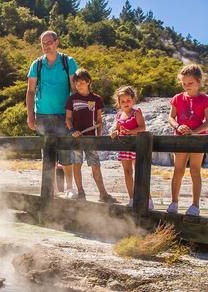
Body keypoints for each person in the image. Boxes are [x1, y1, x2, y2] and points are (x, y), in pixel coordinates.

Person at [26, 30, 78, 196]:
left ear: (57, 42)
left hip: (64, 115)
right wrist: (30, 116)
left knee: (66, 151)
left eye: (49, 42)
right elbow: (30, 92)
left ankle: (69, 188)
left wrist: (73, 115)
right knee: (47, 154)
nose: (46, 46)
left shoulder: (67, 61)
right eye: (43, 43)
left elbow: (74, 89)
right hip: (42, 115)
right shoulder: (37, 64)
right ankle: (53, 190)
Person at [65, 69, 117, 203]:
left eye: (82, 82)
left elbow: (99, 121)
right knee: (77, 164)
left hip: (91, 139)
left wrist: (98, 137)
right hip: (76, 138)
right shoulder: (72, 99)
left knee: (95, 165)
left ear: (88, 82)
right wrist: (72, 131)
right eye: (77, 83)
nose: (79, 85)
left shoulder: (96, 99)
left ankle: (103, 194)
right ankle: (81, 193)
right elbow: (68, 119)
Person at [167, 64, 208, 216]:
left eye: (190, 83)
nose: (186, 86)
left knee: (195, 171)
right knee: (178, 170)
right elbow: (171, 117)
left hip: (198, 140)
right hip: (180, 139)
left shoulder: (205, 99)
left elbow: (207, 121)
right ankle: (174, 202)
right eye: (184, 83)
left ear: (199, 81)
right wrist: (178, 126)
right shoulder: (177, 98)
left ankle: (195, 206)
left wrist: (194, 132)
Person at [110, 86, 153, 209]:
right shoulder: (119, 115)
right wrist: (115, 132)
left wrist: (130, 132)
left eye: (128, 100)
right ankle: (132, 198)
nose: (126, 103)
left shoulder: (136, 112)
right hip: (124, 148)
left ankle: (148, 199)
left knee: (140, 173)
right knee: (127, 173)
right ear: (119, 103)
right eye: (122, 101)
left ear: (133, 100)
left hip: (137, 147)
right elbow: (117, 130)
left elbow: (142, 127)